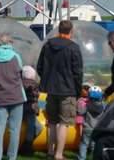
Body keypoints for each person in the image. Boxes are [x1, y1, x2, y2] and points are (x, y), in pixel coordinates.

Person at [36, 20, 83, 160]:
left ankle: (50, 152)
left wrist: (47, 81)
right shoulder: (73, 47)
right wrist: (78, 92)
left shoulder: (47, 45)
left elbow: (40, 67)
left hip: (51, 89)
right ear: (71, 31)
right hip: (67, 90)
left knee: (52, 121)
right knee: (64, 123)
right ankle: (58, 154)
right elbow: (78, 72)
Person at [0, 32, 26, 160]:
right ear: (9, 42)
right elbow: (21, 75)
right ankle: (12, 157)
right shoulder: (16, 57)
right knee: (14, 130)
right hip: (16, 96)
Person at [76, 85, 105, 160]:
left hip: (87, 128)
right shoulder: (102, 107)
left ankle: (81, 158)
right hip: (96, 129)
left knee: (83, 144)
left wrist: (78, 105)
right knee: (94, 144)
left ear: (89, 96)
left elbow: (80, 112)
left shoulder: (87, 106)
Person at [20, 66, 43, 156]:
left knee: (32, 129)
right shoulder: (36, 85)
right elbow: (38, 95)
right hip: (31, 110)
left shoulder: (19, 84)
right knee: (36, 128)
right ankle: (27, 149)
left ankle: (25, 146)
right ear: (33, 75)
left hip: (21, 110)